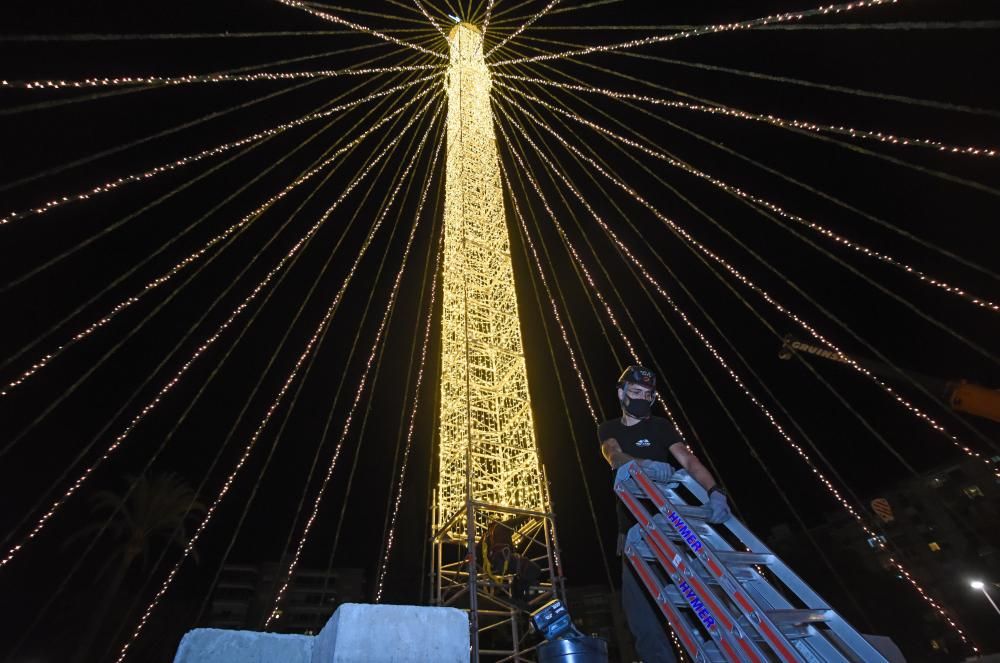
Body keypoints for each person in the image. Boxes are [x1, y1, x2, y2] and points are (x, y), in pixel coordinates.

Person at [598, 365, 731, 663]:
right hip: (633, 533)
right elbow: (613, 454)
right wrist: (642, 464)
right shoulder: (609, 428)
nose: (641, 399)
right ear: (621, 393)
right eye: (635, 393)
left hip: (671, 524)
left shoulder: (659, 426)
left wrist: (714, 491)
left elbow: (688, 460)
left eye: (647, 394)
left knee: (700, 601)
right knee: (641, 618)